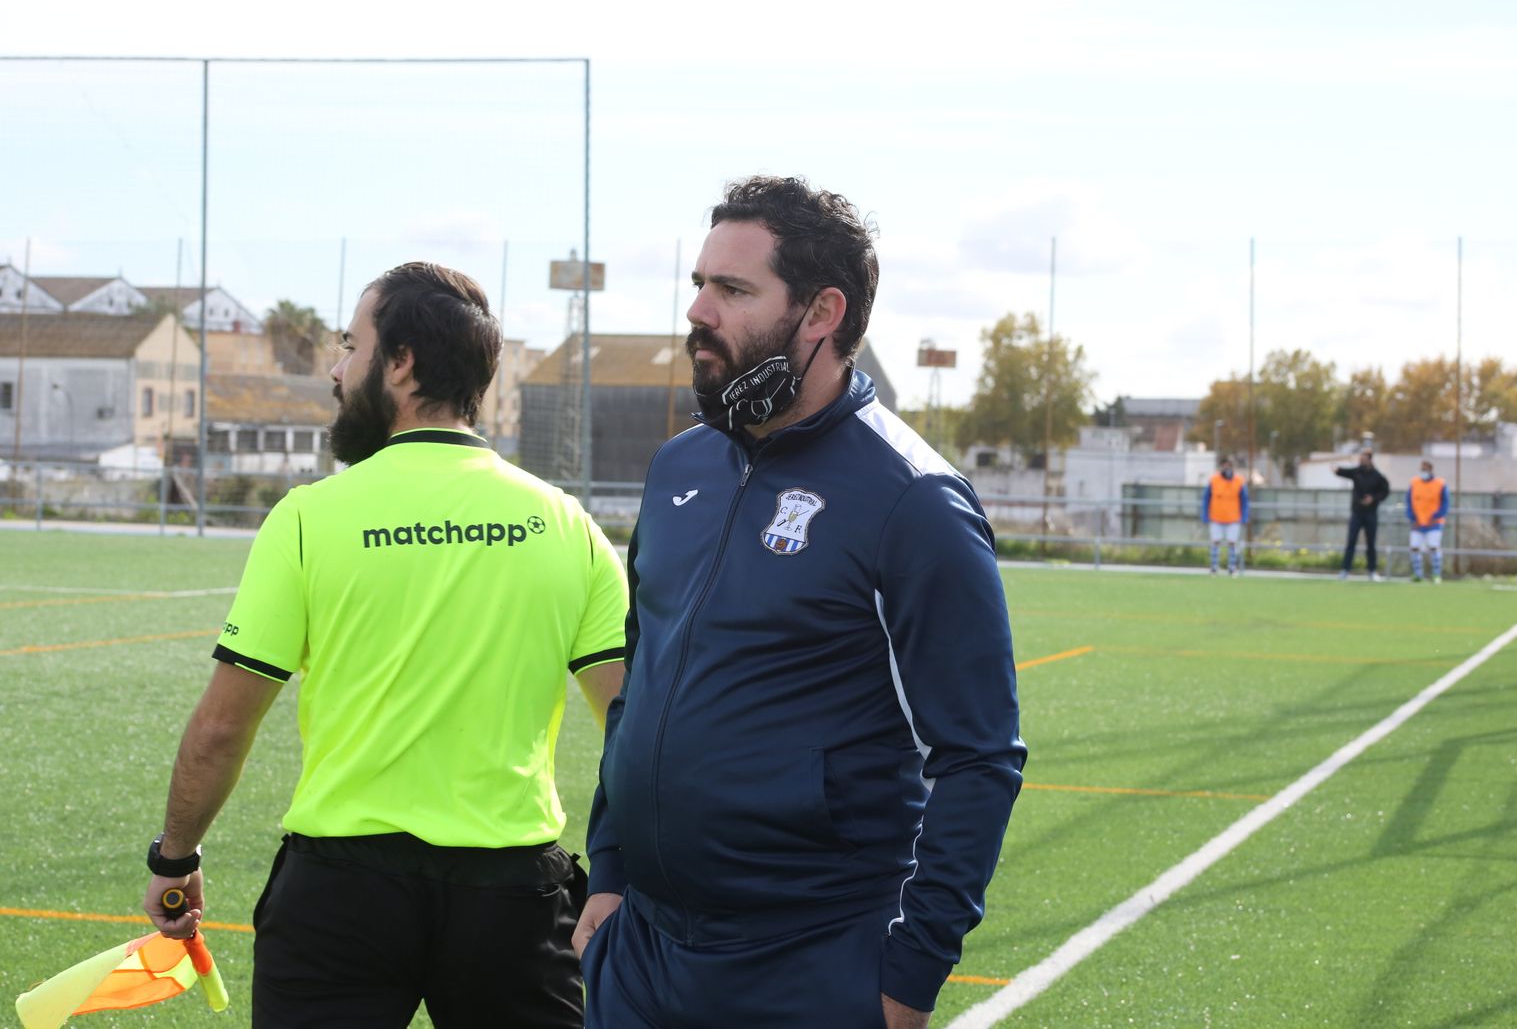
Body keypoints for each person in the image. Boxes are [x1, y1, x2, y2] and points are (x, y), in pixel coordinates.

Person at [575, 177, 1026, 1029]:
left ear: (822, 312)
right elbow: (641, 685)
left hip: (812, 963)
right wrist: (608, 870)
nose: (700, 310)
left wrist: (911, 972)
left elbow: (979, 755)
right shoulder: (679, 468)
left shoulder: (914, 499)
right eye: (701, 284)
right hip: (643, 954)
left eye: (733, 290)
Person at [139, 262, 627, 1028]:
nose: (335, 369)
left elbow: (222, 727)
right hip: (512, 901)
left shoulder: (309, 517)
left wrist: (175, 859)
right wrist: (630, 870)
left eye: (350, 346)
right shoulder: (567, 524)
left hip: (341, 897)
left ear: (400, 363)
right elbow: (632, 725)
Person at [1335, 448, 1390, 580]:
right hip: (1357, 513)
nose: (1362, 460)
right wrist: (1336, 470)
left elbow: (1385, 491)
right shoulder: (1357, 472)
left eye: (1364, 458)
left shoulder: (1377, 476)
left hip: (1370, 514)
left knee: (1371, 543)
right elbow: (1344, 472)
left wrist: (1373, 499)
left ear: (1370, 459)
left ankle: (1372, 571)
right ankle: (1345, 570)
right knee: (1351, 541)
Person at [1200, 455, 1249, 576]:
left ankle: (1232, 568)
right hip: (1216, 517)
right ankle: (1214, 568)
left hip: (1233, 518)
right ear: (1221, 466)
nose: (1227, 468)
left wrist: (1244, 516)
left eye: (1229, 466)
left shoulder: (1239, 481)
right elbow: (1206, 499)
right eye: (1225, 465)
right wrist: (1205, 515)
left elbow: (1245, 501)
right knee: (1215, 542)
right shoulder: (1214, 480)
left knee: (1232, 543)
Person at [1406, 459, 1449, 583]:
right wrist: (1413, 518)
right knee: (1414, 547)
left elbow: (1445, 504)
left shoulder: (1440, 484)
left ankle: (1436, 574)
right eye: (1421, 469)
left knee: (1434, 547)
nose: (1423, 472)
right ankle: (1417, 574)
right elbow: (1409, 502)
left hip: (1434, 523)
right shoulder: (1414, 483)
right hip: (1417, 523)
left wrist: (1435, 517)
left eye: (1425, 470)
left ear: (1430, 470)